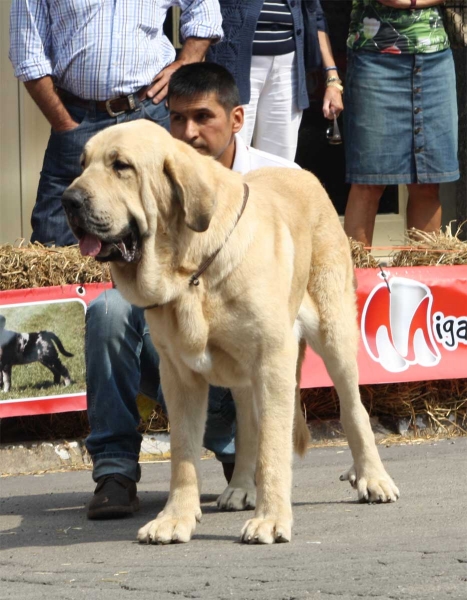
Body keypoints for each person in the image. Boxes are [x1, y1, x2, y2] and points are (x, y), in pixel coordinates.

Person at [84, 62, 301, 520]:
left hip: (240, 373)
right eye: (178, 118)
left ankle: (239, 449)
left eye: (204, 117)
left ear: (237, 119)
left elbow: (284, 329)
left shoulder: (279, 179)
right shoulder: (156, 171)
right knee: (107, 312)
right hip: (182, 361)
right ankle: (115, 470)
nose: (189, 131)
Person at [9, 0, 223, 247]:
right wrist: (64, 124)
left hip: (148, 115)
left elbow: (204, 9)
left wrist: (185, 63)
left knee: (164, 241)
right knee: (53, 243)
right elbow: (26, 53)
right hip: (78, 121)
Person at [343, 0, 459, 246]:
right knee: (369, 182)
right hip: (375, 58)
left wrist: (410, 2)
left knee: (427, 182)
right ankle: (353, 281)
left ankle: (423, 279)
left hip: (434, 59)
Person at [207, 0, 344, 161]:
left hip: (288, 66)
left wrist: (332, 78)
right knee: (228, 159)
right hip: (231, 63)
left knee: (278, 163)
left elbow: (313, 12)